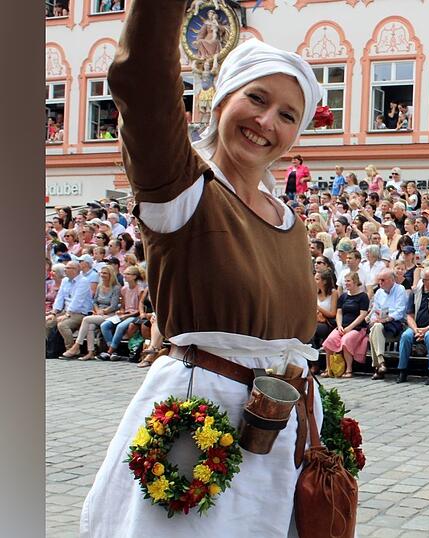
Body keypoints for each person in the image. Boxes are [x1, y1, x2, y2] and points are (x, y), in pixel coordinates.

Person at [79, 5, 325, 535]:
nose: (267, 122)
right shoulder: (185, 188)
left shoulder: (288, 219)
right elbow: (141, 81)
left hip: (282, 430)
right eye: (256, 98)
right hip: (200, 424)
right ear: (222, 99)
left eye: (288, 114)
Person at [395, 267, 429, 384]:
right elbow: (409, 315)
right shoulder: (415, 292)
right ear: (423, 281)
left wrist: (426, 329)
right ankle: (402, 371)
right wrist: (415, 330)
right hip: (417, 327)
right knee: (405, 336)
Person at [62, 265, 121, 360]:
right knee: (90, 326)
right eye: (101, 273)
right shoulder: (99, 286)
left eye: (105, 273)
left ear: (111, 275)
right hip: (98, 313)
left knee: (86, 319)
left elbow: (114, 306)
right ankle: (90, 352)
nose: (102, 275)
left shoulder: (116, 288)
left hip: (110, 314)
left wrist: (103, 311)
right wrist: (97, 310)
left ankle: (76, 346)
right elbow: (95, 301)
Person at [321, 271, 369, 379]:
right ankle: (328, 368)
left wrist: (349, 328)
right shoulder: (343, 297)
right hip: (342, 326)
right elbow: (339, 312)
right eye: (345, 281)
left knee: (346, 341)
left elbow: (362, 315)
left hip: (357, 327)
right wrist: (339, 326)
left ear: (355, 282)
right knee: (329, 340)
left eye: (348, 281)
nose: (346, 283)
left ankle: (349, 369)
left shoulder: (363, 297)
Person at [98, 265, 147, 361]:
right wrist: (121, 312)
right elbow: (123, 306)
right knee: (104, 325)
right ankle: (113, 349)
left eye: (128, 274)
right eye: (124, 273)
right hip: (125, 314)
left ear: (134, 276)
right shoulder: (124, 289)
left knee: (120, 327)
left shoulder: (140, 289)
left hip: (134, 315)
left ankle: (110, 351)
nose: (125, 275)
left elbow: (140, 309)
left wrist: (126, 315)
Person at [366, 270, 408, 380]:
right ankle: (381, 363)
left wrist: (386, 319)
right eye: (379, 280)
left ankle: (379, 365)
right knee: (376, 327)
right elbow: (375, 310)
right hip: (381, 325)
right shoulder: (379, 292)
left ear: (392, 280)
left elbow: (400, 312)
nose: (380, 282)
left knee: (373, 333)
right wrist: (376, 320)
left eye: (383, 280)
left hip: (395, 324)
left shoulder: (400, 289)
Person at [45, 261, 93, 351]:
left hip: (80, 313)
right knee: (47, 322)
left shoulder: (83, 281)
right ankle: (50, 349)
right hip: (66, 311)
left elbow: (77, 301)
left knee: (63, 325)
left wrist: (67, 315)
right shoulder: (65, 281)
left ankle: (71, 349)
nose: (65, 270)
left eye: (67, 268)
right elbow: (60, 297)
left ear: (75, 270)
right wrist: (54, 312)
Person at [312, 269, 339, 373]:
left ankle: (315, 364)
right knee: (307, 332)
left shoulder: (333, 293)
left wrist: (318, 308)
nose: (314, 281)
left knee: (313, 332)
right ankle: (313, 363)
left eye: (317, 279)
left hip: (328, 323)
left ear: (324, 281)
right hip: (316, 320)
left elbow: (332, 313)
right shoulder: (314, 292)